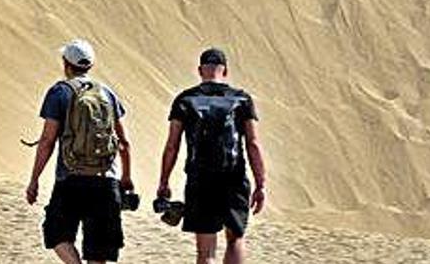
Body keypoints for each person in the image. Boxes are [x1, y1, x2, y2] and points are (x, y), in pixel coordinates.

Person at [156, 48, 267, 264]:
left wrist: (164, 181)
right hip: (233, 178)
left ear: (200, 70)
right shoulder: (241, 99)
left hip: (200, 179)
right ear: (225, 71)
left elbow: (172, 145)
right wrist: (261, 184)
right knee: (235, 239)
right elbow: (253, 144)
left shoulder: (185, 99)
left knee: (205, 252)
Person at [26, 39, 132, 264]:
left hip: (70, 180)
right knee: (99, 252)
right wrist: (126, 177)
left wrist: (34, 179)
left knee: (56, 234)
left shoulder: (59, 93)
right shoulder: (107, 94)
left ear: (66, 63)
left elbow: (47, 140)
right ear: (90, 65)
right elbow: (124, 142)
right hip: (105, 180)